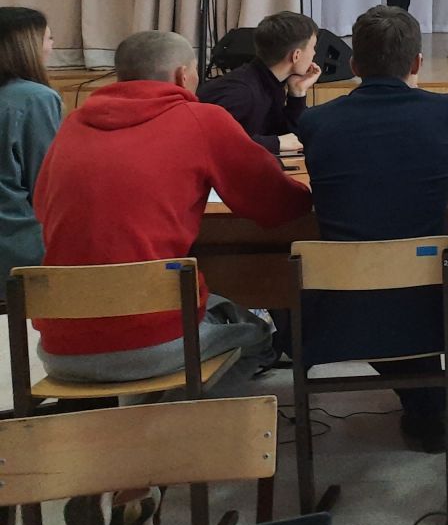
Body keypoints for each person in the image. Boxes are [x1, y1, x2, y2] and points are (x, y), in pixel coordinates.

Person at [31, 31, 311, 382]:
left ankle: (150, 406)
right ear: (183, 75)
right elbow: (278, 206)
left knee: (218, 305)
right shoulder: (201, 119)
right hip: (149, 337)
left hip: (60, 346)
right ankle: (182, 414)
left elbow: (41, 207)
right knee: (257, 336)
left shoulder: (73, 124)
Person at [297, 6, 448, 452]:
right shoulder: (443, 110)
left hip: (339, 303)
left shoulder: (316, 121)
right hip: (431, 300)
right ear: (417, 63)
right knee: (437, 287)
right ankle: (434, 401)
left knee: (379, 299)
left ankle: (431, 403)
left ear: (353, 64)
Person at [196, 10, 321, 156]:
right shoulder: (241, 91)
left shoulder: (271, 83)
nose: (314, 54)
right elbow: (211, 139)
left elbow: (293, 138)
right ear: (296, 55)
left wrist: (297, 93)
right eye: (313, 47)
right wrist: (275, 143)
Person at [0, 6, 62, 277]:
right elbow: (45, 183)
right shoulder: (35, 98)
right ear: (26, 46)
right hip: (19, 243)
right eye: (48, 38)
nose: (52, 46)